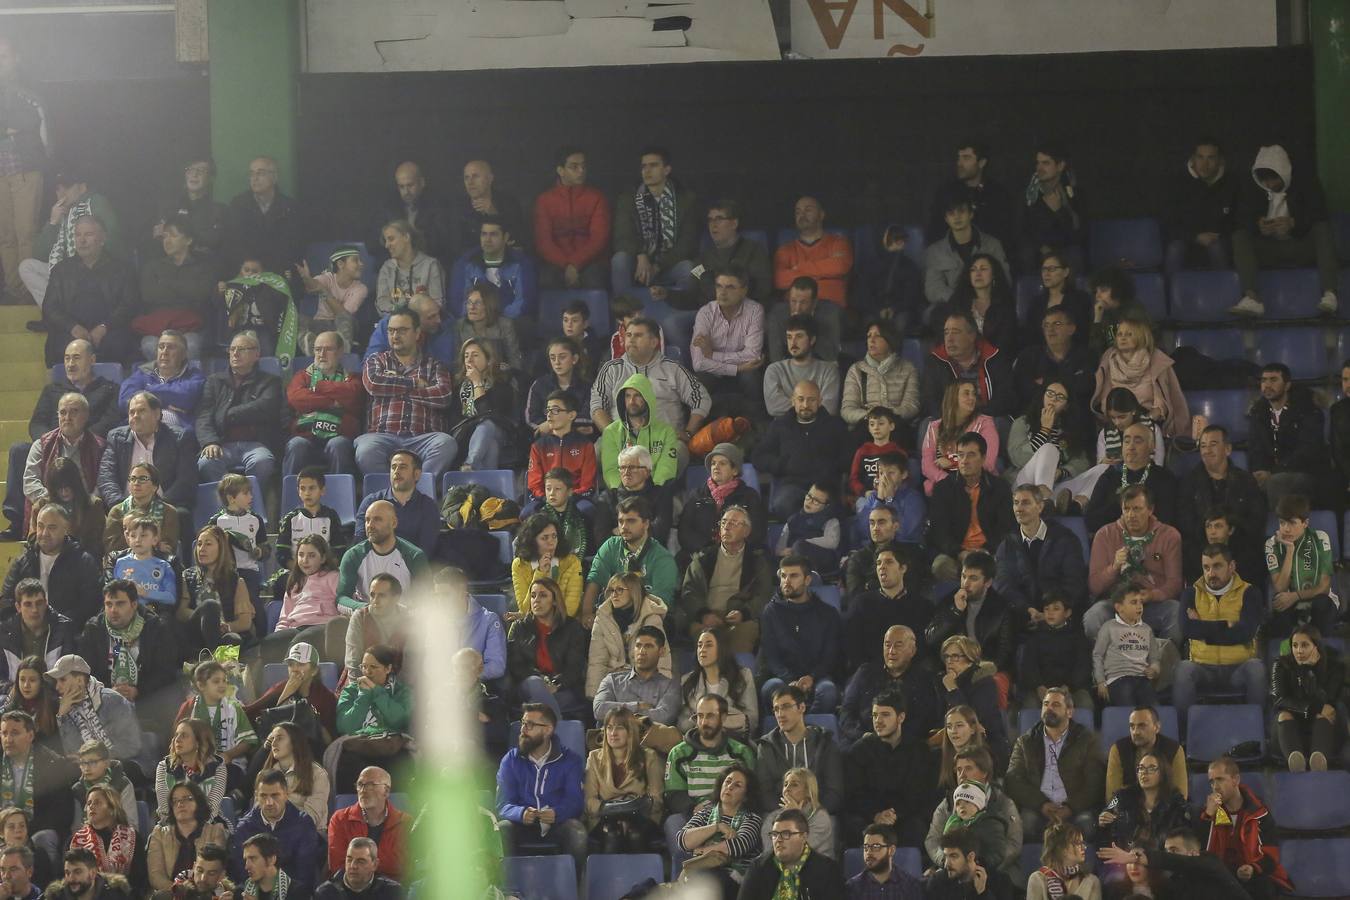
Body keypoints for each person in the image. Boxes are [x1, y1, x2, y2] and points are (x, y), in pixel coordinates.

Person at [4, 339, 119, 538]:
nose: (70, 363)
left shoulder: (108, 389)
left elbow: (110, 420)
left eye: (76, 358)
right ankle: (15, 522)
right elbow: (37, 422)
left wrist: (82, 433)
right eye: (66, 358)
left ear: (91, 360)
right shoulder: (52, 390)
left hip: (90, 446)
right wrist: (52, 441)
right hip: (54, 448)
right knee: (19, 449)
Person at [1229, 143, 1339, 317]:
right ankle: (1251, 298)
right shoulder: (1253, 190)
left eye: (1274, 179)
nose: (1270, 184)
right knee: (1239, 235)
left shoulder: (1307, 183)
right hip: (1269, 250)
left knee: (1322, 229)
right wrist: (1259, 226)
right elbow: (1240, 219)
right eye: (1265, 180)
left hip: (1300, 247)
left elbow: (1319, 214)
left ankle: (1330, 294)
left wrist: (1294, 224)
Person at [357, 306, 457, 480]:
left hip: (423, 437)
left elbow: (443, 396)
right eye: (391, 331)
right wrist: (415, 383)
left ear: (417, 333)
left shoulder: (434, 365)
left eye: (402, 330)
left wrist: (395, 388)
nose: (395, 336)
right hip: (383, 436)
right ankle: (388, 496)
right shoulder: (376, 361)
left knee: (446, 443)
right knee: (366, 450)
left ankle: (419, 492)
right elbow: (373, 384)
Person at [592, 315, 710, 452]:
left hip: (665, 442)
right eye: (629, 335)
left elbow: (701, 398)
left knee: (678, 453)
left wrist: (689, 432)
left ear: (654, 342)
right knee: (595, 453)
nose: (631, 339)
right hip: (621, 442)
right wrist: (613, 435)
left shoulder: (672, 369)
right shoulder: (611, 369)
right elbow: (597, 405)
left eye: (638, 335)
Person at [1172, 543, 1265, 718]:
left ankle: (1260, 729)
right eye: (1206, 567)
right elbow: (1187, 629)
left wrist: (1202, 627)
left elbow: (1246, 633)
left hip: (1239, 668)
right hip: (1203, 668)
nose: (1210, 573)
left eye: (1217, 566)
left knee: (1256, 668)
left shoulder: (1250, 592)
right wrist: (1227, 626)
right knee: (1183, 669)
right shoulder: (1191, 594)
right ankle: (1183, 736)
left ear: (1232, 566)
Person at [1083, 484, 1181, 643]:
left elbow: (1175, 583)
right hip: (1116, 604)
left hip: (1152, 604)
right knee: (1093, 617)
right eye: (1126, 509)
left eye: (1137, 509)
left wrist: (1151, 595)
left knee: (1176, 613)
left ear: (1150, 510)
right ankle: (1111, 661)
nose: (1131, 515)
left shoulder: (1169, 536)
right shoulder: (1105, 534)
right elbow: (1094, 585)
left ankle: (1161, 661)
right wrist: (1114, 567)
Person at [494, 701, 587, 870]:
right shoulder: (511, 760)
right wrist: (520, 813)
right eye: (523, 723)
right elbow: (502, 804)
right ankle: (507, 891)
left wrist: (557, 813)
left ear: (548, 730)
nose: (523, 730)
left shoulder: (570, 760)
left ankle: (575, 890)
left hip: (557, 825)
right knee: (501, 829)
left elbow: (575, 802)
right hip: (520, 825)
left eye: (530, 725)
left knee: (577, 832)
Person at [1004, 686, 1103, 840]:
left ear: (1069, 712)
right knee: (1025, 824)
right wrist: (1041, 804)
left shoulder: (1086, 740)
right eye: (1045, 704)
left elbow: (1094, 782)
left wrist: (1070, 808)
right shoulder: (1026, 741)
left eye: (1055, 705)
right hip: (1038, 807)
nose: (1049, 708)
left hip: (1075, 807)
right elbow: (1013, 779)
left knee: (1087, 825)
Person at [38, 216, 137, 368]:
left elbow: (129, 305)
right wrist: (73, 327)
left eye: (88, 235)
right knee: (60, 347)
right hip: (70, 333)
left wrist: (105, 327)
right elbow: (50, 308)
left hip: (110, 331)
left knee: (120, 344)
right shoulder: (61, 270)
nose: (82, 240)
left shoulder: (122, 269)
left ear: (103, 238)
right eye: (78, 235)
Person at [76, 580, 180, 719]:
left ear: (134, 604)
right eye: (109, 604)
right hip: (103, 703)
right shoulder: (94, 630)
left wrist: (138, 691)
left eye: (120, 604)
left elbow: (167, 671)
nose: (113, 610)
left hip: (146, 703)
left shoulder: (155, 628)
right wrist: (108, 691)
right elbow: (84, 674)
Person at [844, 689, 935, 848]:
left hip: (904, 816)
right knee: (851, 825)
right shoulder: (860, 750)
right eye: (875, 715)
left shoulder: (918, 750)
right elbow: (854, 792)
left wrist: (894, 815)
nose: (878, 721)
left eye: (885, 715)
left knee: (916, 827)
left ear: (901, 717)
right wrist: (875, 815)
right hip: (870, 816)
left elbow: (919, 792)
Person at [1177, 425, 1267, 582]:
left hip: (1239, 550)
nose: (1206, 450)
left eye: (1213, 444)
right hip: (1202, 550)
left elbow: (1256, 520)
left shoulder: (1245, 481)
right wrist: (1210, 535)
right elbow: (1185, 521)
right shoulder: (1189, 482)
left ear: (1227, 449)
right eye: (1203, 446)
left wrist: (1229, 531)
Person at [20, 171, 119, 312]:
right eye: (58, 189)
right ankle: (54, 315)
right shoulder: (60, 212)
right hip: (65, 272)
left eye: (66, 187)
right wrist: (53, 223)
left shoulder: (96, 202)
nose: (61, 193)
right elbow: (39, 255)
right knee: (27, 267)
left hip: (94, 270)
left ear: (83, 187)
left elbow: (114, 240)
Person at [1197, 756, 1293, 899]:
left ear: (1235, 780)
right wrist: (1208, 816)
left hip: (1255, 878)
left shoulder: (1260, 813)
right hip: (1223, 876)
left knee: (1263, 887)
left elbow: (1272, 855)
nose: (1215, 787)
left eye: (1220, 779)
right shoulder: (1210, 813)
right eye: (1212, 781)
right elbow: (1201, 851)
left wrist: (1253, 868)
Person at [193, 330, 281, 486]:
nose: (235, 353)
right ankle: (228, 504)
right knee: (206, 463)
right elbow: (204, 416)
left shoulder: (270, 381)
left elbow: (263, 408)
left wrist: (226, 414)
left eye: (241, 349)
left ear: (256, 355)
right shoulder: (214, 381)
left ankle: (251, 504)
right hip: (221, 442)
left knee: (263, 462)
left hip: (256, 443)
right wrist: (209, 442)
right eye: (232, 349)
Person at [753, 380, 851, 519]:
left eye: (811, 400)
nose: (806, 405)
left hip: (824, 485)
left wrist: (828, 468)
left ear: (820, 401)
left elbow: (848, 457)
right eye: (801, 399)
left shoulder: (835, 425)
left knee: (832, 511)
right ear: (793, 401)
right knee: (782, 505)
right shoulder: (780, 426)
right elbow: (759, 457)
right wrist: (782, 464)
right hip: (792, 485)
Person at [651, 198, 772, 309]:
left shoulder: (753, 251)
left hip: (742, 314)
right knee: (672, 325)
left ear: (734, 223)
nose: (713, 224)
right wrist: (668, 294)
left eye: (719, 219)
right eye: (710, 220)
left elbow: (763, 289)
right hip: (709, 316)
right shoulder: (702, 260)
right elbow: (693, 297)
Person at [757, 555, 842, 714]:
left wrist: (812, 677)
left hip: (817, 678)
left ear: (808, 580)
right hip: (782, 678)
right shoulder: (771, 612)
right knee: (771, 688)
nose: (787, 581)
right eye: (783, 576)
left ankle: (812, 732)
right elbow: (771, 655)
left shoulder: (827, 614)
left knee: (828, 691)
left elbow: (830, 656)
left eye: (793, 576)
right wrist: (790, 680)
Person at [924, 747, 1021, 882]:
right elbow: (933, 840)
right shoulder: (947, 803)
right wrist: (948, 862)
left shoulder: (1003, 803)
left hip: (994, 868)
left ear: (984, 773)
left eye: (968, 768)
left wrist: (980, 866)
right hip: (952, 868)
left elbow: (1013, 844)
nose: (962, 775)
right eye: (959, 770)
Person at [611, 146, 698, 297]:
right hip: (638, 266)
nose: (647, 170)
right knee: (619, 260)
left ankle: (678, 314)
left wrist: (657, 266)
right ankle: (624, 313)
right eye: (644, 166)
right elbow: (622, 236)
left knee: (692, 269)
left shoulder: (686, 200)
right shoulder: (628, 198)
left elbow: (687, 244)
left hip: (669, 266)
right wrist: (640, 255)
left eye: (654, 165)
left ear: (666, 170)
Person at [927, 435, 1015, 583]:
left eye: (971, 455)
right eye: (960, 455)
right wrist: (959, 552)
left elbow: (1006, 528)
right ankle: (968, 591)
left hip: (990, 553)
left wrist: (986, 550)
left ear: (983, 458)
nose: (964, 461)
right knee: (940, 566)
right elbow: (939, 531)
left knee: (1008, 566)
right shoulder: (943, 489)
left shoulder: (1000, 488)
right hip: (957, 555)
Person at [1090, 312, 1188, 440]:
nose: (1123, 338)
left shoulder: (1156, 359)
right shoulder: (1108, 359)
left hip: (1148, 420)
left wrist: (1145, 420)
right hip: (1117, 421)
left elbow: (1160, 403)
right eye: (1119, 334)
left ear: (1141, 336)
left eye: (1129, 334)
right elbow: (1105, 400)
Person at [995, 486, 1088, 621]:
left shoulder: (1065, 539)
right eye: (1016, 503)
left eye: (1026, 503)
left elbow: (1074, 581)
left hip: (1061, 616)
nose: (1019, 509)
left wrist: (1052, 611)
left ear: (1040, 507)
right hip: (1022, 616)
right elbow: (1004, 585)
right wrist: (1027, 609)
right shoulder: (1007, 544)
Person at [96, 391, 197, 515]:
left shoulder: (179, 438)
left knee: (181, 514)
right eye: (132, 412)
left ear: (157, 414)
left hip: (166, 505)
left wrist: (157, 506)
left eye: (141, 411)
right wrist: (120, 505)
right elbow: (106, 477)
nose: (135, 416)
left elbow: (185, 480)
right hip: (126, 508)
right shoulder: (116, 438)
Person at [0, 709, 78, 870]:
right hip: (3, 830)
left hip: (37, 830)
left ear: (30, 736)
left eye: (15, 733)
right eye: (4, 733)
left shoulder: (52, 764)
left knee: (44, 837)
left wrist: (23, 831)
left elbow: (62, 812)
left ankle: (46, 888)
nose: (8, 739)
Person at [840, 625, 942, 746]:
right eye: (887, 645)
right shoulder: (865, 673)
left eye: (898, 645)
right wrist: (862, 736)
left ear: (912, 651)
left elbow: (924, 719)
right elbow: (847, 711)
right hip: (864, 742)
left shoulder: (925, 679)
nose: (891, 651)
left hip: (906, 746)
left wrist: (894, 740)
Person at [0, 504, 101, 623]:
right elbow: (7, 602)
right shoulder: (22, 562)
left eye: (52, 527)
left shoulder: (84, 562)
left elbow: (89, 605)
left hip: (69, 633)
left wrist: (58, 625)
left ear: (66, 529)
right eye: (40, 526)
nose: (44, 533)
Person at [1248, 362, 1330, 508]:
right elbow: (1255, 449)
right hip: (1271, 473)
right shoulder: (1258, 413)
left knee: (1277, 482)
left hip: (1306, 474)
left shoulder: (1307, 410)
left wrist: (1272, 472)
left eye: (1273, 380)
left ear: (1287, 385)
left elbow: (1307, 452)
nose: (1267, 385)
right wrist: (1259, 471)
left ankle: (1281, 529)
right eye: (1264, 380)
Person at [583, 706, 664, 852]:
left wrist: (630, 815)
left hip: (642, 819)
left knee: (635, 833)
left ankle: (643, 874)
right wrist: (616, 812)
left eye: (619, 728)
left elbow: (656, 800)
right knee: (612, 833)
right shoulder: (594, 758)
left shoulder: (649, 757)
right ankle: (608, 874)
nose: (613, 733)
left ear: (630, 731)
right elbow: (589, 802)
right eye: (609, 727)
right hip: (604, 819)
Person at [583, 496, 677, 622]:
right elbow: (595, 580)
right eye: (620, 521)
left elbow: (658, 603)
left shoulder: (662, 559)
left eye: (631, 521)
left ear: (646, 524)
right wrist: (586, 614)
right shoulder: (611, 546)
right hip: (610, 615)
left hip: (647, 618)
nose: (624, 527)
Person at [505, 578, 588, 721]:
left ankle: (542, 728)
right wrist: (542, 681)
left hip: (562, 688)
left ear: (555, 600)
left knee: (540, 705)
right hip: (528, 686)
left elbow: (574, 667)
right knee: (534, 684)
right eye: (533, 596)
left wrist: (556, 684)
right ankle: (559, 733)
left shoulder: (572, 628)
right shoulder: (520, 627)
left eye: (543, 595)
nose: (536, 600)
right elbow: (516, 665)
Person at [21, 391, 104, 533]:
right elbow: (30, 481)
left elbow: (102, 482)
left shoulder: (100, 446)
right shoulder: (41, 444)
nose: (67, 418)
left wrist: (85, 502)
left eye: (74, 412)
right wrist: (53, 502)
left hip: (84, 509)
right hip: (49, 510)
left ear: (86, 415)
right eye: (63, 413)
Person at [691, 265, 766, 420]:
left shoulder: (755, 311)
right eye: (719, 286)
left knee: (751, 377)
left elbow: (752, 354)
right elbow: (699, 363)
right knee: (699, 382)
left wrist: (711, 354)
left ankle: (757, 424)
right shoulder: (705, 313)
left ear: (744, 290)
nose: (722, 292)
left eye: (730, 287)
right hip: (725, 369)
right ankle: (701, 431)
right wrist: (737, 368)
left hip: (745, 370)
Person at [283, 330, 362, 476]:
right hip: (305, 434)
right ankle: (290, 497)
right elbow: (296, 398)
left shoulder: (352, 378)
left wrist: (318, 387)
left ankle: (340, 497)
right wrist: (332, 402)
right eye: (318, 349)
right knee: (295, 445)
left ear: (340, 352)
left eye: (328, 349)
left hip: (339, 434)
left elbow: (351, 395)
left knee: (338, 445)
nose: (321, 354)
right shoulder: (302, 376)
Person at [138, 216, 216, 359]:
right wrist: (186, 288)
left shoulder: (203, 267)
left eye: (173, 235)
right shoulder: (153, 266)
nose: (167, 240)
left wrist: (166, 282)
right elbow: (149, 295)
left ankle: (186, 380)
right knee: (149, 345)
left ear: (188, 240)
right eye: (165, 236)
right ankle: (165, 381)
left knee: (190, 345)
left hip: (192, 328)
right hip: (159, 329)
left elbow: (201, 294)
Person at [533, 146, 611, 290]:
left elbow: (599, 239)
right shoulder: (544, 200)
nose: (581, 171)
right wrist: (566, 265)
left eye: (583, 166)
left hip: (591, 262)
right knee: (546, 280)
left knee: (595, 280)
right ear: (560, 170)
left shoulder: (597, 197)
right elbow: (543, 242)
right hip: (556, 262)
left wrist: (574, 264)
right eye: (574, 167)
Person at [756, 684, 843, 812]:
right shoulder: (766, 746)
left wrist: (809, 812)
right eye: (776, 709)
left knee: (831, 825)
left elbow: (835, 791)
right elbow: (765, 792)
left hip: (819, 813)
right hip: (781, 815)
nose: (780, 714)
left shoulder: (824, 742)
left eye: (786, 707)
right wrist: (789, 813)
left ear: (801, 707)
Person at [1096, 827, 1247, 900]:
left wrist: (1135, 857)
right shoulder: (1175, 883)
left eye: (1174, 850)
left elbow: (1174, 861)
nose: (1169, 856)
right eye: (1166, 851)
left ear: (1194, 853)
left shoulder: (1210, 863)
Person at [335, 644, 413, 787]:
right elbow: (345, 726)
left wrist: (377, 692)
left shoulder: (401, 692)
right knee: (346, 763)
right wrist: (363, 696)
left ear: (388, 668)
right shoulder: (351, 691)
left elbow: (398, 721)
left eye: (373, 667)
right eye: (364, 667)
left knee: (403, 762)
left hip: (390, 745)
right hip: (358, 745)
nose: (367, 672)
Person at [1083, 423, 1179, 534]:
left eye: (1138, 441)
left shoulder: (1165, 479)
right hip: (1112, 542)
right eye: (1127, 441)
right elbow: (1091, 521)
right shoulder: (1109, 476)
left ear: (1151, 446)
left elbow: (1166, 521)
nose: (1131, 447)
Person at [922, 310, 1016, 422]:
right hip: (951, 421)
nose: (949, 339)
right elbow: (932, 403)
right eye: (946, 333)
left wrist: (975, 417)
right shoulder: (935, 362)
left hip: (987, 419)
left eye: (955, 332)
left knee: (1001, 422)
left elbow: (1006, 398)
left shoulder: (994, 358)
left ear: (972, 336)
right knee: (927, 424)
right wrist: (958, 418)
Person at [844, 548, 928, 671]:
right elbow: (852, 646)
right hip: (870, 673)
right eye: (879, 563)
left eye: (889, 562)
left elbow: (923, 646)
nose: (882, 567)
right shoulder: (861, 604)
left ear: (903, 568)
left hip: (910, 673)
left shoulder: (922, 606)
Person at [1273, 625, 1343, 772]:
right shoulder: (1281, 665)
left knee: (1325, 714)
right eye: (1295, 645)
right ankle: (1296, 762)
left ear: (1316, 646)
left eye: (1305, 645)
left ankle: (1319, 762)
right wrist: (1312, 709)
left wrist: (1309, 671)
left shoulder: (1334, 667)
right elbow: (1280, 700)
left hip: (1323, 726)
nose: (1299, 651)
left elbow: (1328, 700)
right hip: (1293, 724)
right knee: (1284, 715)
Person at [1165, 137, 1240, 273]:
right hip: (1186, 238)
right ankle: (1168, 292)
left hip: (1219, 240)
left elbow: (1238, 221)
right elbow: (1169, 222)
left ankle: (1225, 292)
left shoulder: (1232, 185)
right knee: (1175, 248)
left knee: (1217, 247)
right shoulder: (1177, 183)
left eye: (1210, 158)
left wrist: (1220, 234)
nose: (1204, 164)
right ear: (1193, 159)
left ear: (1220, 161)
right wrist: (1195, 236)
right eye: (1200, 157)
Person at [589, 593, 673, 714]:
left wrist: (618, 712)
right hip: (613, 732)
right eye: (638, 646)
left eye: (648, 646)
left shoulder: (668, 685)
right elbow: (599, 710)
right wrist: (636, 706)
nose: (642, 651)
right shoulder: (612, 680)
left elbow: (664, 716)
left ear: (661, 651)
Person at [934, 637, 1011, 769]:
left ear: (970, 659)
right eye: (946, 657)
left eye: (955, 656)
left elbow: (973, 719)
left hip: (987, 746)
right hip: (954, 743)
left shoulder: (985, 682)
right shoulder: (945, 682)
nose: (949, 661)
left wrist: (953, 690)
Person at [925, 140, 1016, 249]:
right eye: (959, 158)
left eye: (966, 158)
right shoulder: (946, 192)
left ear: (982, 162)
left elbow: (1005, 236)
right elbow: (934, 232)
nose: (960, 163)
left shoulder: (998, 194)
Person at [923, 198, 1010, 312]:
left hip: (988, 303)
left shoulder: (992, 245)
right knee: (931, 313)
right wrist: (961, 300)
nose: (956, 217)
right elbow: (933, 288)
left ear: (971, 214)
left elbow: (1004, 279)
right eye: (951, 213)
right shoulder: (935, 251)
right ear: (946, 219)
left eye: (961, 211)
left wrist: (982, 299)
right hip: (952, 306)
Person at [678, 445, 766, 558]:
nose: (716, 467)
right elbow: (684, 531)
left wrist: (729, 549)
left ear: (735, 470)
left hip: (738, 554)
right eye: (713, 463)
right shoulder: (697, 495)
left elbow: (757, 533)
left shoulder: (749, 496)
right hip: (701, 553)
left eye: (722, 463)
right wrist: (706, 549)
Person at [47, 655, 139, 762]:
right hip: (86, 770)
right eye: (56, 681)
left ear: (80, 681)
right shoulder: (64, 708)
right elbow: (72, 754)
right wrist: (62, 717)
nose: (57, 687)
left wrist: (98, 758)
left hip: (122, 766)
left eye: (62, 680)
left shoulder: (112, 700)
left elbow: (132, 745)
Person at [739, 806, 845, 899]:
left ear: (804, 837)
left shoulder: (827, 870)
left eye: (786, 834)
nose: (778, 840)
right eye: (775, 834)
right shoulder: (758, 868)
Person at [179, 524, 255, 654]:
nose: (202, 549)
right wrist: (208, 619)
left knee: (233, 639)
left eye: (208, 544)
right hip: (195, 634)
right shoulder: (187, 576)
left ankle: (216, 663)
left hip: (222, 633)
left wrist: (227, 627)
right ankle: (214, 658)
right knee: (210, 606)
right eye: (199, 544)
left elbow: (245, 622)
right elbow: (181, 612)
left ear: (221, 549)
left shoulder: (235, 580)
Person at [221, 156, 301, 277]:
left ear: (274, 177)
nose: (255, 178)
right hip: (246, 270)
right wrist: (249, 264)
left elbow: (292, 246)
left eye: (261, 173)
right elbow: (233, 242)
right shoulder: (238, 204)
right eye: (251, 174)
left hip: (278, 271)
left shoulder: (289, 207)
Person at [1097, 750, 1191, 852]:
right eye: (1141, 768)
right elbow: (1108, 809)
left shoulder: (1176, 802)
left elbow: (1183, 837)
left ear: (1163, 772)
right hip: (1124, 857)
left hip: (1161, 860)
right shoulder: (1121, 796)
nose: (1144, 773)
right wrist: (1103, 818)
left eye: (1151, 768)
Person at [247, 641, 339, 743]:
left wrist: (311, 718)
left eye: (300, 664)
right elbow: (263, 720)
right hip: (278, 744)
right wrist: (287, 693)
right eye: (291, 664)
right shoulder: (281, 687)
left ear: (314, 671)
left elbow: (329, 740)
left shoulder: (325, 697)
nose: (294, 669)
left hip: (310, 749)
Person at [118, 329, 205, 435]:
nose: (164, 352)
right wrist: (167, 401)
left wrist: (147, 391)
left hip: (178, 433)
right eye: (161, 347)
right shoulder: (143, 372)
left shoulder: (195, 376)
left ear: (183, 354)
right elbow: (124, 401)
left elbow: (186, 397)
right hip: (140, 428)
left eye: (171, 347)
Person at [327, 766, 407, 881]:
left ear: (386, 791)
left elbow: (403, 866)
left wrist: (359, 861)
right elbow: (337, 864)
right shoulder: (339, 819)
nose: (363, 790)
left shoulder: (405, 823)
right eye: (360, 784)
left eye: (371, 785)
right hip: (350, 887)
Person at [449, 216, 537, 319]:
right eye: (484, 234)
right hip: (475, 324)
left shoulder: (521, 263)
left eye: (493, 234)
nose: (487, 240)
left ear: (505, 237)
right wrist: (481, 320)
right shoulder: (466, 262)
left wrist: (498, 321)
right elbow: (459, 302)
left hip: (511, 324)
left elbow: (525, 302)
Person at [841, 319, 920, 433]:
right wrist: (872, 416)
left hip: (896, 426)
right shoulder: (856, 369)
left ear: (890, 340)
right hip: (866, 426)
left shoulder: (908, 369)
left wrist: (887, 416)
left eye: (877, 336)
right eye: (869, 336)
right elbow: (847, 410)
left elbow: (912, 406)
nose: (871, 340)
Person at [1017, 593, 1093, 712]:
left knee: (1085, 702)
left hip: (1071, 689)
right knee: (1030, 705)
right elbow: (1028, 666)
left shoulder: (1077, 637)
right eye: (1046, 609)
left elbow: (1083, 666)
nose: (1050, 613)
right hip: (1041, 689)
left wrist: (1069, 686)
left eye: (1056, 609)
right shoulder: (1035, 637)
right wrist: (1038, 686)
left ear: (1067, 613)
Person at [773, 195, 853, 308]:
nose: (802, 215)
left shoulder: (838, 242)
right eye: (798, 212)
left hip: (830, 305)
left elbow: (839, 267)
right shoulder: (785, 250)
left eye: (808, 210)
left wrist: (799, 269)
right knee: (776, 314)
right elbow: (779, 280)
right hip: (795, 308)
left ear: (821, 215)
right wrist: (824, 274)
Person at [355, 450, 440, 554]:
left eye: (403, 467)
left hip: (413, 565)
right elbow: (360, 542)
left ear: (416, 474)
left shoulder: (428, 506)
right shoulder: (371, 502)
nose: (396, 472)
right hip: (374, 564)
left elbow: (426, 548)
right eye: (393, 467)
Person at [922, 383, 999, 498]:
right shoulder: (934, 427)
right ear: (952, 397)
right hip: (945, 484)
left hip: (977, 482)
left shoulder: (985, 423)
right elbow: (927, 465)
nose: (972, 397)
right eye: (966, 393)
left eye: (973, 394)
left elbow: (988, 462)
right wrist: (947, 480)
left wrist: (953, 462)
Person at [1091, 582, 1162, 707]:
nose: (1139, 606)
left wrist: (1154, 670)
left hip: (1141, 678)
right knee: (1127, 704)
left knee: (1154, 708)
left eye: (1141, 602)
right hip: (1118, 679)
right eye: (1134, 602)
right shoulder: (1109, 627)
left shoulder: (1147, 629)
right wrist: (1101, 682)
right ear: (1119, 607)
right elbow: (1098, 656)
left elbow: (1154, 658)